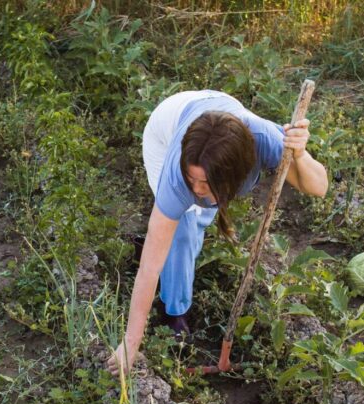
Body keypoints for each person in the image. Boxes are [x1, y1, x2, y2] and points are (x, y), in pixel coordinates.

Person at [107, 90, 329, 377]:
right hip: (166, 127)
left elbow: (319, 186)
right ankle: (174, 312)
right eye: (193, 180)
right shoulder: (177, 176)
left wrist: (299, 155)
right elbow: (149, 267)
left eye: (206, 183)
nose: (197, 190)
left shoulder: (264, 141)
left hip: (224, 120)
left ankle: (169, 249)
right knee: (183, 230)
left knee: (198, 216)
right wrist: (130, 342)